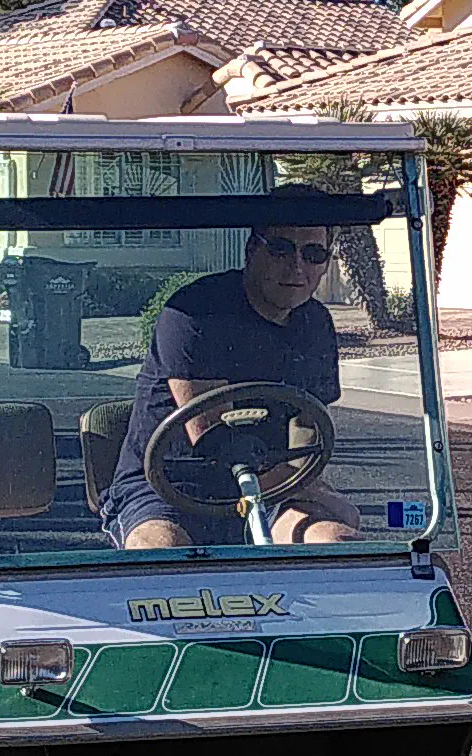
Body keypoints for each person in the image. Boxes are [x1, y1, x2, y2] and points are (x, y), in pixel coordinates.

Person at [105, 197, 356, 550]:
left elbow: (307, 435)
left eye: (313, 254)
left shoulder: (315, 323)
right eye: (282, 250)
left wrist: (318, 493)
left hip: (270, 488)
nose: (297, 267)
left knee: (336, 543)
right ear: (252, 250)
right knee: (162, 553)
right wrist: (311, 489)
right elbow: (217, 442)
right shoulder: (195, 315)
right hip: (169, 489)